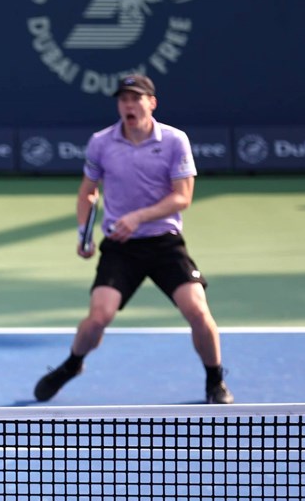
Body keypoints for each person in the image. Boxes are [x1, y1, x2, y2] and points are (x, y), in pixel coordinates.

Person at [34, 74, 234, 405]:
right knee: (98, 317)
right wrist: (83, 234)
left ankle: (215, 381)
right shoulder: (101, 142)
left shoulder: (174, 140)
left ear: (151, 103)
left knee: (198, 311)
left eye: (136, 98)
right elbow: (88, 192)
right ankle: (73, 364)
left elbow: (183, 197)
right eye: (123, 99)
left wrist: (139, 216)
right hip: (120, 247)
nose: (128, 105)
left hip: (164, 242)